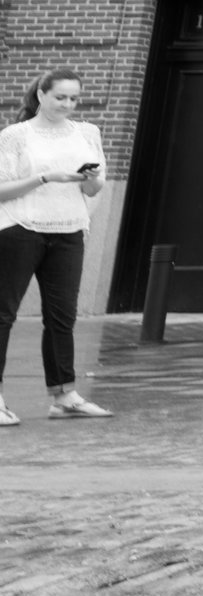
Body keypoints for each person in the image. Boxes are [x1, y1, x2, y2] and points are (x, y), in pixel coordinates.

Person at [0, 68, 111, 424]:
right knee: (3, 316)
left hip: (69, 231)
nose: (67, 104)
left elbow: (93, 190)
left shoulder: (87, 133)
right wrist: (46, 177)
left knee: (62, 318)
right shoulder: (15, 136)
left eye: (74, 98)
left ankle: (64, 396)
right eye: (60, 97)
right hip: (20, 229)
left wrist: (90, 180)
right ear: (41, 95)